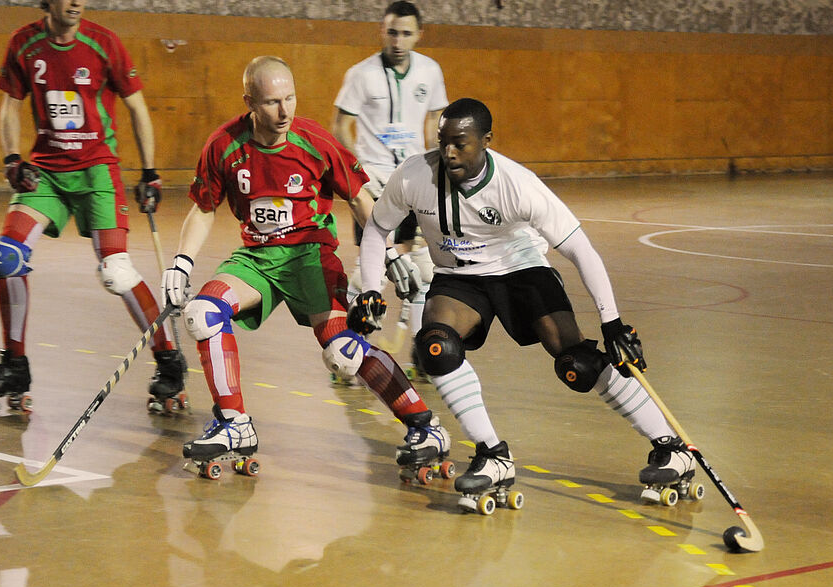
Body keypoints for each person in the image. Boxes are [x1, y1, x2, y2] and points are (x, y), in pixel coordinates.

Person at [354, 98, 696, 508]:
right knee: (436, 347)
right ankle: (492, 454)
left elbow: (580, 249)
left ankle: (670, 446)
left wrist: (612, 323)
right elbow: (376, 228)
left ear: (486, 141)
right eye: (443, 142)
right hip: (459, 277)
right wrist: (371, 288)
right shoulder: (414, 175)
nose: (448, 152)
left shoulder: (518, 184)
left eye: (460, 143)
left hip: (520, 269)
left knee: (578, 364)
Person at [161, 56, 449, 474]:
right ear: (249, 102)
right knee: (203, 313)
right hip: (258, 258)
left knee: (343, 355)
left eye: (290, 98)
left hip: (309, 256)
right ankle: (233, 423)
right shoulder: (224, 145)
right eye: (272, 102)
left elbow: (359, 197)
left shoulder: (314, 141)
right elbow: (204, 207)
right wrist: (181, 263)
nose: (284, 111)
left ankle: (425, 427)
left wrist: (387, 253)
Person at [0, 0, 186, 415]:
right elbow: (10, 104)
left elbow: (137, 106)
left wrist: (150, 172)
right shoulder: (24, 43)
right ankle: (14, 366)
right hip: (46, 174)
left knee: (116, 271)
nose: (75, 2)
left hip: (97, 171)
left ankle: (168, 360)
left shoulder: (104, 43)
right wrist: (12, 158)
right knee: (5, 256)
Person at [331, 0, 448, 379]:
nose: (398, 41)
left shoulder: (430, 71)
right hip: (375, 183)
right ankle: (347, 350)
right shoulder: (360, 74)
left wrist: (433, 170)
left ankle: (422, 356)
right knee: (372, 272)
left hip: (414, 182)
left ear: (419, 35)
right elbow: (340, 127)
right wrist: (359, 174)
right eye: (392, 32)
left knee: (422, 271)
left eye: (406, 33)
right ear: (382, 30)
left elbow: (434, 123)